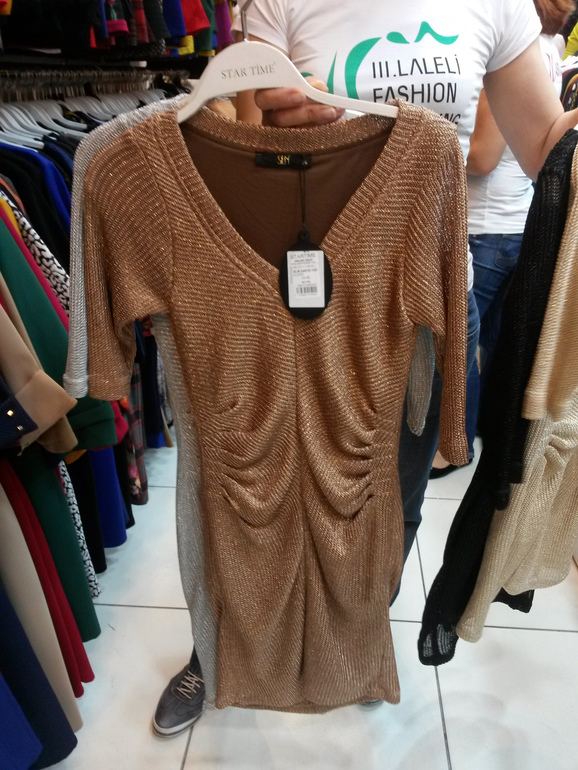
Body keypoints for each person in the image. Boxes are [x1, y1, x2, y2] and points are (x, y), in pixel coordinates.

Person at [153, 0, 578, 738]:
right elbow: (237, 153)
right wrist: (285, 133)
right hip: (287, 293)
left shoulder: (497, 2)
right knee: (256, 486)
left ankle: (354, 633)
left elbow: (548, 147)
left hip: (420, 292)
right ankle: (220, 648)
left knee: (390, 492)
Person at [430, 0, 571, 478]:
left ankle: (452, 449)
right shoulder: (549, 48)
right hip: (517, 217)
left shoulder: (498, 46)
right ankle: (483, 442)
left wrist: (424, 143)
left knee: (458, 353)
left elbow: (483, 156)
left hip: (487, 225)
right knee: (495, 348)